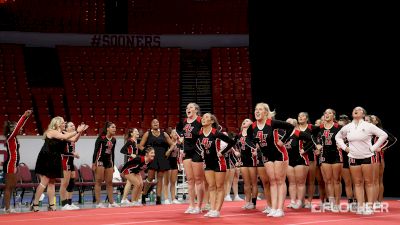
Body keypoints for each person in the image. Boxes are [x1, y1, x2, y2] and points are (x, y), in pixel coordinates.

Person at [335, 106, 388, 215]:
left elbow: (384, 135)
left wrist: (373, 148)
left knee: (369, 182)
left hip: (367, 156)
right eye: (354, 109)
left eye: (359, 109)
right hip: (353, 157)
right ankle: (360, 206)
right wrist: (345, 147)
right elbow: (337, 137)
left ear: (363, 114)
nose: (356, 110)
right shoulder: (348, 126)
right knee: (357, 183)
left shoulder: (369, 126)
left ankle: (369, 206)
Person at [246, 103, 294, 217]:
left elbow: (290, 127)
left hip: (279, 154)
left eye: (260, 109)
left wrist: (283, 140)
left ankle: (280, 208)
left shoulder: (272, 123)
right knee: (272, 181)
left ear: (266, 112)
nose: (257, 111)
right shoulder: (252, 126)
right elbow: (248, 138)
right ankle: (273, 207)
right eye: (256, 109)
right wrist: (255, 145)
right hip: (267, 156)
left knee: (279, 180)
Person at [31, 117, 87, 212]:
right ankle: (35, 203)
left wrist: (79, 132)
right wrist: (77, 130)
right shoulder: (51, 131)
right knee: (44, 182)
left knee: (52, 183)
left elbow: (74, 139)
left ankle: (51, 205)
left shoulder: (63, 133)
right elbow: (64, 137)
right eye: (62, 122)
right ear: (56, 123)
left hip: (55, 159)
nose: (64, 123)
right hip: (46, 158)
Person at [197, 113, 236, 218]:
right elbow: (198, 145)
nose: (203, 119)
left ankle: (217, 210)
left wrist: (223, 152)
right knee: (211, 186)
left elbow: (232, 142)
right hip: (208, 163)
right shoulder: (200, 133)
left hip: (219, 162)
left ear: (212, 121)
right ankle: (212, 208)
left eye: (206, 118)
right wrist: (201, 153)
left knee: (219, 187)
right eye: (203, 117)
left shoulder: (216, 133)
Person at [176, 103, 204, 214]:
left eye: (191, 107)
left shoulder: (200, 120)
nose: (188, 109)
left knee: (198, 180)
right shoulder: (184, 121)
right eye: (187, 107)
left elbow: (212, 129)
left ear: (196, 110)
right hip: (187, 152)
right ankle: (191, 205)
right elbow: (178, 129)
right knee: (190, 180)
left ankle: (199, 206)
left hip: (198, 151)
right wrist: (181, 136)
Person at [139, 119, 175, 205]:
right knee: (150, 178)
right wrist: (147, 153)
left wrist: (169, 151)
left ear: (159, 124)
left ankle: (158, 199)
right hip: (152, 158)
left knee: (160, 179)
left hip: (162, 157)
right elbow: (140, 146)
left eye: (157, 122)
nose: (156, 123)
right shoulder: (148, 134)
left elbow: (173, 144)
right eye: (154, 122)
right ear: (151, 124)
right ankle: (144, 194)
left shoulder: (164, 134)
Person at [3, 110, 32, 213]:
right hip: (10, 164)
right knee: (8, 186)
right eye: (18, 128)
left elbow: (19, 126)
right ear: (13, 129)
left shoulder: (14, 138)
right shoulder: (10, 138)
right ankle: (7, 208)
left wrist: (26, 117)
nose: (21, 129)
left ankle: (8, 207)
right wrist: (24, 116)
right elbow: (18, 126)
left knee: (11, 186)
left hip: (14, 164)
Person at [316, 109, 343, 211]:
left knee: (336, 180)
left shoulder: (339, 127)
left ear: (334, 115)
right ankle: (331, 202)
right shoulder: (320, 128)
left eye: (330, 113)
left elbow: (348, 138)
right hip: (324, 155)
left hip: (336, 155)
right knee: (328, 181)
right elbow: (313, 137)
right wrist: (317, 146)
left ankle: (337, 203)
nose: (327, 114)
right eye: (325, 113)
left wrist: (343, 145)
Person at [368, 115, 397, 208]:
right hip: (367, 158)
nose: (369, 120)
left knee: (377, 180)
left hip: (378, 158)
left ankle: (378, 201)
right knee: (369, 181)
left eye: (372, 119)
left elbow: (393, 139)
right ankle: (370, 201)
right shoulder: (366, 131)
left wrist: (383, 148)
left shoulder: (379, 130)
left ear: (376, 122)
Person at [92, 121, 119, 208]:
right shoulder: (101, 138)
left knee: (110, 182)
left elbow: (113, 153)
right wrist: (93, 163)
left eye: (115, 127)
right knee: (99, 181)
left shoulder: (114, 140)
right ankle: (98, 203)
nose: (114, 129)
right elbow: (95, 151)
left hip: (109, 162)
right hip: (100, 160)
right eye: (112, 127)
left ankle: (111, 202)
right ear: (107, 128)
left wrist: (113, 164)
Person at [285, 118, 310, 210]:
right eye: (286, 123)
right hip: (289, 161)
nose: (286, 124)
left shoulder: (298, 133)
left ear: (294, 125)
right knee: (291, 182)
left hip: (300, 160)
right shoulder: (284, 135)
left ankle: (300, 201)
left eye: (289, 123)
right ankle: (292, 201)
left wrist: (305, 150)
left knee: (300, 182)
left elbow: (312, 140)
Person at [60, 122, 85, 210]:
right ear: (66, 128)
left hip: (70, 160)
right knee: (64, 183)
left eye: (74, 125)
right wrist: (73, 154)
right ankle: (64, 204)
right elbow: (61, 152)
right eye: (71, 125)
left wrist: (80, 132)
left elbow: (75, 139)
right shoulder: (63, 135)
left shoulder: (71, 136)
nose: (73, 126)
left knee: (71, 181)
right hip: (65, 160)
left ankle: (69, 203)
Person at [237, 119, 259, 210]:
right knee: (246, 183)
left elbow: (258, 144)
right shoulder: (239, 135)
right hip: (243, 159)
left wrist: (256, 151)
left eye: (247, 121)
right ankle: (247, 201)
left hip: (252, 159)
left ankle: (253, 203)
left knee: (253, 182)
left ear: (251, 124)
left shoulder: (253, 133)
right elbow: (235, 145)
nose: (244, 121)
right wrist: (237, 152)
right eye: (243, 121)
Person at [120, 128, 141, 206]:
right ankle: (133, 200)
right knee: (135, 183)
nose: (138, 132)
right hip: (131, 163)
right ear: (132, 134)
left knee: (129, 182)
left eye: (137, 131)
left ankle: (123, 199)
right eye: (136, 131)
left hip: (135, 163)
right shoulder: (130, 141)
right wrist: (130, 154)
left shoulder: (135, 142)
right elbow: (122, 150)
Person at [338, 114, 355, 206]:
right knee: (347, 182)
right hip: (343, 158)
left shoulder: (352, 131)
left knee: (356, 182)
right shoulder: (338, 134)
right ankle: (350, 201)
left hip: (353, 157)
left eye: (343, 124)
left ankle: (357, 200)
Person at [163, 129, 182, 204]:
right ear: (170, 135)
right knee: (166, 182)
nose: (176, 134)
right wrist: (171, 148)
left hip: (174, 163)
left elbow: (178, 155)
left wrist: (179, 164)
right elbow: (165, 155)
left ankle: (173, 199)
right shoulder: (167, 143)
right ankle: (166, 198)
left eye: (176, 133)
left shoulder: (178, 144)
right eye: (174, 133)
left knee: (173, 182)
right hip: (167, 162)